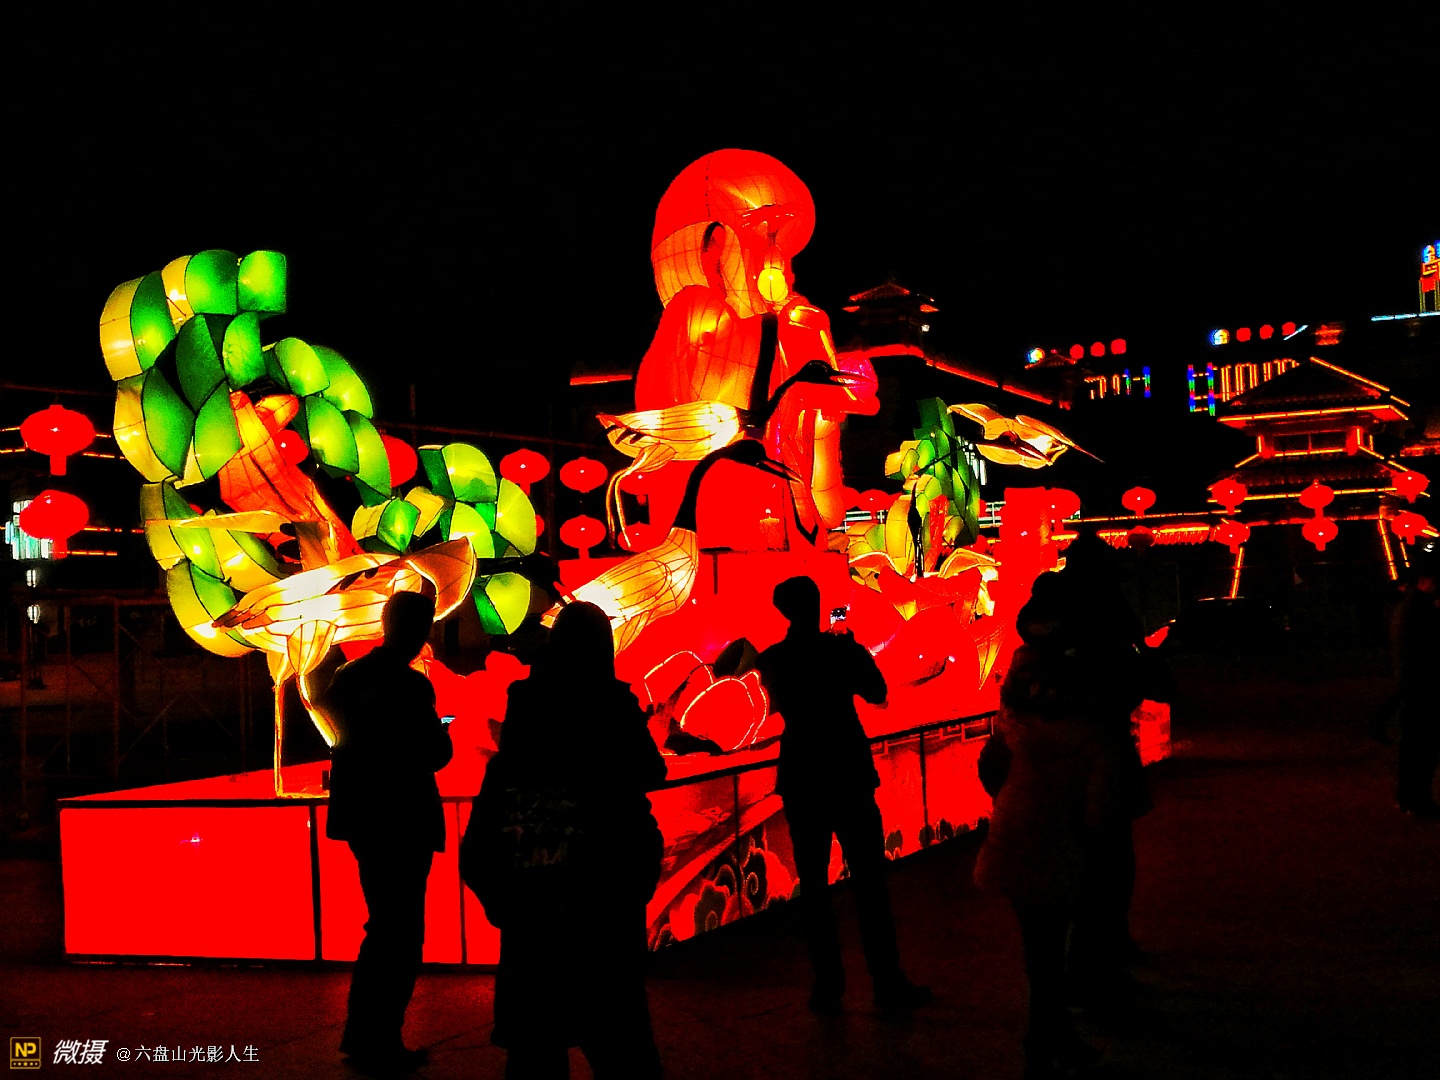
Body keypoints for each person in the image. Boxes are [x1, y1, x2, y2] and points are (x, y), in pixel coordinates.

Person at [464, 601, 666, 1079]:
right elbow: (650, 771)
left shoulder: (523, 721)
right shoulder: (614, 709)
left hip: (532, 923)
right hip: (606, 917)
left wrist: (504, 903)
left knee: (535, 1053)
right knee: (624, 1048)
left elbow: (479, 848)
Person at [756, 575, 931, 1015]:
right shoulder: (841, 651)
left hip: (802, 776)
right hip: (848, 773)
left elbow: (779, 704)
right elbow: (877, 691)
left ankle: (827, 986)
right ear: (817, 606)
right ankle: (887, 983)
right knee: (870, 883)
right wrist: (852, 649)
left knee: (814, 888)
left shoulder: (773, 659)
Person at [975, 571, 1106, 1077]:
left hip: (1019, 818)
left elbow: (991, 764)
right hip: (1062, 821)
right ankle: (1049, 1032)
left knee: (1038, 939)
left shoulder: (1015, 702)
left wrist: (1006, 796)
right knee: (1055, 935)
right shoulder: (1085, 697)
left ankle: (1046, 1032)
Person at [325, 590, 453, 1073]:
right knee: (400, 932)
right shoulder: (412, 687)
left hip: (364, 817)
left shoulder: (347, 678)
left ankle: (365, 1034)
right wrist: (441, 733)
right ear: (421, 631)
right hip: (405, 818)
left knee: (382, 925)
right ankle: (381, 1038)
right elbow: (435, 754)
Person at [1392, 551, 1440, 817]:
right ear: (1424, 581)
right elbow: (1427, 648)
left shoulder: (1410, 606)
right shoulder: (1420, 609)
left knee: (1413, 746)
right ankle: (1418, 799)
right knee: (1422, 747)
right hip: (1422, 687)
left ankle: (1408, 797)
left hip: (1413, 685)